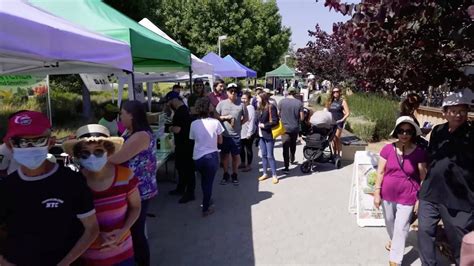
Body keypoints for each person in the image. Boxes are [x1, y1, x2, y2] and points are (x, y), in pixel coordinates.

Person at [0, 111, 99, 266]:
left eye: (38, 141)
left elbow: (92, 228)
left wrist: (65, 263)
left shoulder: (71, 180)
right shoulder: (6, 187)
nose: (30, 147)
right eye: (21, 142)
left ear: (51, 143)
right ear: (10, 145)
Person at [63, 124, 141, 266]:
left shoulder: (125, 175)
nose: (92, 157)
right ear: (78, 155)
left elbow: (136, 207)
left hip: (123, 254)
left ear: (108, 151)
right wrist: (97, 237)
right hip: (88, 258)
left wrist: (123, 231)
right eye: (85, 153)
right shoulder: (75, 183)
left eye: (98, 151)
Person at [417, 89, 474, 265]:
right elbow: (430, 158)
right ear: (444, 113)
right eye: (454, 111)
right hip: (431, 192)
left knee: (460, 240)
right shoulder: (438, 131)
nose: (458, 115)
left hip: (459, 197)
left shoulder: (472, 134)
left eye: (462, 111)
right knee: (425, 232)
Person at [108, 100, 157, 266]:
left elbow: (117, 158)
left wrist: (95, 156)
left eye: (122, 113)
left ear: (132, 115)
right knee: (134, 230)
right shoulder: (131, 132)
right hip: (133, 188)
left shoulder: (140, 135)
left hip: (139, 190)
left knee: (136, 232)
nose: (120, 116)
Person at [373, 116, 427, 266]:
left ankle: (395, 259)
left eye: (408, 131)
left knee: (401, 226)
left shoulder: (419, 152)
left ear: (413, 134)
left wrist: (420, 198)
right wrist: (377, 193)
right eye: (401, 131)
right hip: (388, 195)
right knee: (390, 222)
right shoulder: (387, 149)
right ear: (396, 132)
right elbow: (381, 172)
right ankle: (395, 240)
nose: (404, 134)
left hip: (408, 195)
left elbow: (423, 177)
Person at [189, 97, 224, 217]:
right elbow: (220, 141)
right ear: (208, 107)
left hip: (197, 157)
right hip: (211, 156)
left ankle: (207, 199)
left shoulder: (193, 124)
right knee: (208, 183)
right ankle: (206, 208)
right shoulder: (216, 122)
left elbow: (193, 140)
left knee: (203, 181)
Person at [165, 91, 196, 203]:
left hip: (185, 145)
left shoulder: (179, 112)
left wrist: (169, 128)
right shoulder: (184, 109)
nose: (168, 105)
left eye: (169, 103)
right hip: (186, 144)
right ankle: (181, 188)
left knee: (187, 170)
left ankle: (190, 193)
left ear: (173, 100)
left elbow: (177, 129)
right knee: (181, 168)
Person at [216, 83, 248, 185]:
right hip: (224, 135)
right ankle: (226, 174)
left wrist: (239, 125)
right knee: (225, 156)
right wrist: (224, 118)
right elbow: (216, 116)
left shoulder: (241, 104)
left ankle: (234, 174)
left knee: (235, 157)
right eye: (231, 91)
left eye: (235, 91)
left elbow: (246, 117)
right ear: (227, 92)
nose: (233, 93)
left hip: (236, 136)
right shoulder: (222, 103)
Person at [278, 87, 304, 174]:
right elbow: (302, 117)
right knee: (293, 144)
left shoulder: (281, 102)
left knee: (285, 147)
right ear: (295, 93)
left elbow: (278, 114)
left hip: (284, 128)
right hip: (295, 127)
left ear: (287, 92)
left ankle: (286, 167)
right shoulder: (299, 103)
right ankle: (292, 158)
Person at [256, 92, 280, 184]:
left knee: (270, 155)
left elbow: (275, 121)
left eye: (258, 97)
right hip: (261, 134)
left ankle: (274, 175)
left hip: (268, 134)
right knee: (263, 154)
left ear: (263, 98)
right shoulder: (259, 107)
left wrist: (264, 125)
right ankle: (265, 173)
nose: (256, 99)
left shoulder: (271, 107)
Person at [325, 86, 350, 156]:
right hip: (331, 122)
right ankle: (334, 153)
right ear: (332, 93)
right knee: (332, 139)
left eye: (337, 91)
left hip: (339, 122)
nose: (336, 93)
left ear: (339, 92)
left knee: (336, 138)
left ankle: (338, 154)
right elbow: (326, 110)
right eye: (334, 92)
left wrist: (342, 120)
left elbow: (348, 113)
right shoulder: (330, 101)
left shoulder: (342, 101)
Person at [240, 91, 256, 172]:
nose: (243, 100)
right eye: (242, 98)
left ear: (249, 99)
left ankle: (249, 165)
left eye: (245, 98)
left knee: (248, 148)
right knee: (241, 148)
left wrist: (249, 133)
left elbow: (252, 121)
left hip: (248, 132)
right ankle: (242, 162)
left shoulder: (250, 108)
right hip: (241, 131)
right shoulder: (241, 106)